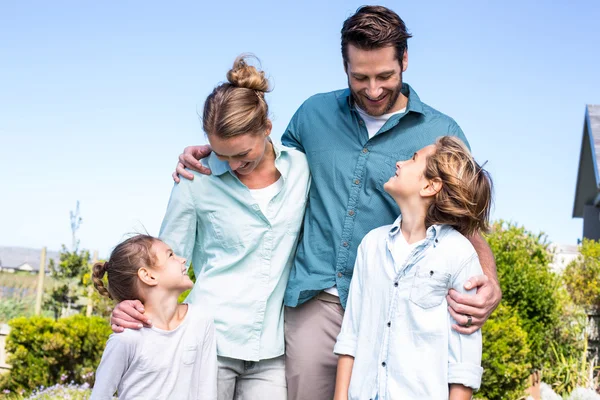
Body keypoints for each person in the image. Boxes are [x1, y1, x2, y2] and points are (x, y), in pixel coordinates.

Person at [126, 6, 502, 399]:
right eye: (360, 77)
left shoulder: (440, 133)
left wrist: (489, 281)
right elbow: (265, 163)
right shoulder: (313, 114)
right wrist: (216, 153)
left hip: (392, 304)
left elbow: (465, 220)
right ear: (344, 67)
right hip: (314, 302)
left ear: (404, 61)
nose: (373, 89)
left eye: (385, 76)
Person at [109, 55, 311, 399]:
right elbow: (163, 259)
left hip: (272, 350)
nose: (232, 165)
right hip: (204, 343)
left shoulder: (301, 171)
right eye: (222, 154)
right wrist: (130, 304)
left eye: (242, 154)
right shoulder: (195, 179)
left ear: (266, 129)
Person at [333, 136, 491, 400]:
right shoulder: (372, 244)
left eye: (413, 159)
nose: (400, 163)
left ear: (430, 185)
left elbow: (464, 362)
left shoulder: (459, 254)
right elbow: (351, 333)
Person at [90, 234, 217, 400]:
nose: (183, 260)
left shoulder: (201, 321)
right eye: (171, 255)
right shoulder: (127, 338)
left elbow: (207, 391)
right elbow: (100, 395)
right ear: (148, 276)